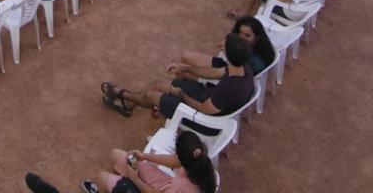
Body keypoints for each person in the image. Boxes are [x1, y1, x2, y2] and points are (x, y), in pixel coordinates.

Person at [100, 34, 255, 134]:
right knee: (158, 83)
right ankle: (129, 103)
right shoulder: (242, 68)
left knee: (151, 95)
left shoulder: (229, 89)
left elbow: (203, 110)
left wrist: (178, 93)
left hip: (202, 119)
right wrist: (185, 68)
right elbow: (214, 73)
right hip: (205, 97)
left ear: (227, 56)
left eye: (224, 47)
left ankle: (125, 96)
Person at [85, 129, 219, 193]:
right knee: (115, 154)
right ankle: (122, 180)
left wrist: (134, 178)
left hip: (159, 190)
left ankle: (122, 182)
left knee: (100, 178)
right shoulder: (199, 163)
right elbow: (175, 161)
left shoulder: (182, 188)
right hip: (165, 184)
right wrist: (144, 156)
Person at [170, 16, 276, 81]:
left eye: (247, 36)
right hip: (227, 66)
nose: (241, 38)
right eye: (240, 33)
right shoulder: (253, 47)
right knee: (186, 57)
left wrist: (186, 69)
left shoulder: (254, 62)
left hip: (229, 77)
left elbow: (218, 73)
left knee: (183, 73)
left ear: (256, 37)